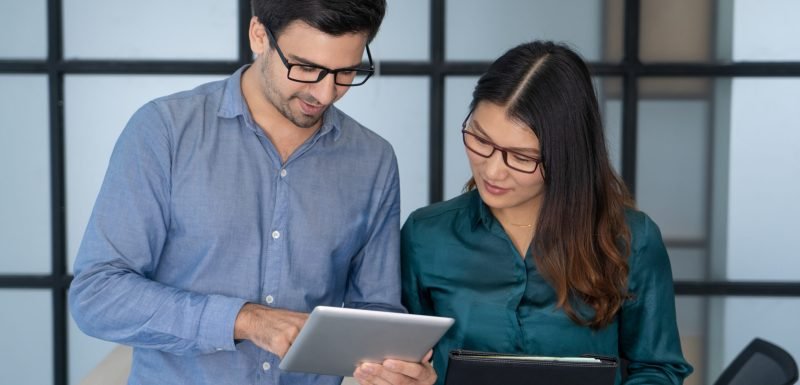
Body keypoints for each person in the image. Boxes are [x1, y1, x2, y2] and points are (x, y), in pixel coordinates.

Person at [69, 1, 432, 384]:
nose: (325, 94)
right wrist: (246, 320)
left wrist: (394, 365)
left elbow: (374, 311)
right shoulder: (165, 131)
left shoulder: (373, 159)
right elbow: (98, 296)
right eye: (306, 68)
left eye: (346, 72)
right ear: (259, 35)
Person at [399, 41, 694, 385]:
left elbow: (658, 368)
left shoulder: (632, 239)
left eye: (522, 158)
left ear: (567, 156)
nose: (492, 171)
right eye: (480, 140)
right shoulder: (426, 236)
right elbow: (408, 360)